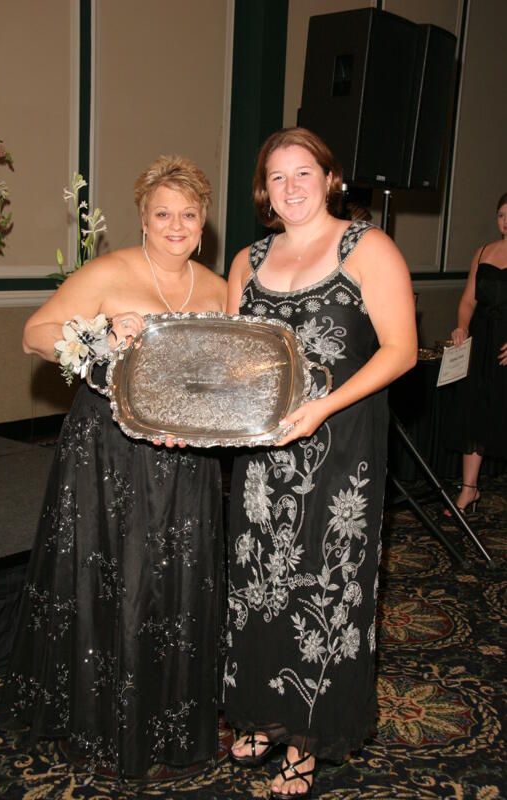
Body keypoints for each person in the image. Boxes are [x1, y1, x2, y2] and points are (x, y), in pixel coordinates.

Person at [0, 155, 227, 777]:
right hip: (108, 449)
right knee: (112, 580)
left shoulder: (219, 287)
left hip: (187, 454)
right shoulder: (109, 269)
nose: (176, 225)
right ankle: (98, 725)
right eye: (163, 214)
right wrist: (97, 332)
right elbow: (35, 333)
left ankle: (167, 720)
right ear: (144, 220)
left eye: (188, 214)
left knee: (175, 581)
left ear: (203, 223)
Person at [223, 127, 417, 799]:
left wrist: (321, 406)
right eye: (276, 176)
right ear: (263, 190)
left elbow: (399, 350)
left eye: (302, 171)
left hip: (338, 451)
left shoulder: (367, 247)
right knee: (259, 584)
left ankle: (304, 739)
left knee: (321, 584)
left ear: (329, 177)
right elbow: (234, 357)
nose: (291, 185)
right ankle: (262, 711)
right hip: (260, 455)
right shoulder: (247, 260)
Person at [443, 192, 507, 514]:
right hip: (481, 342)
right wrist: (461, 327)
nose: (506, 221)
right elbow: (469, 299)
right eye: (501, 215)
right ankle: (469, 490)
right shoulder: (483, 251)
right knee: (475, 412)